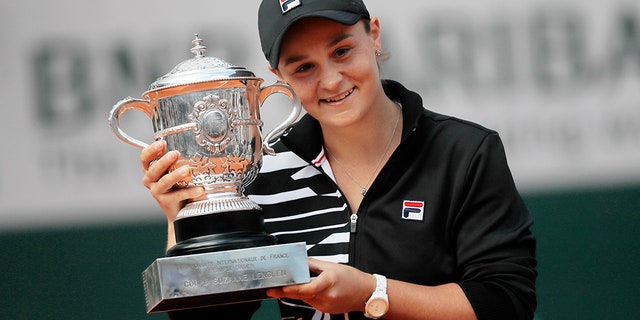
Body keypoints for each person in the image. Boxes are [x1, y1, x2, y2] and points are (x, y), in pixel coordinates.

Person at [140, 0, 537, 319]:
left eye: (342, 50)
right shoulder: (261, 170)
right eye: (304, 67)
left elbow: (505, 303)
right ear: (279, 75)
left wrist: (370, 292)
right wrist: (186, 217)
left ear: (374, 36)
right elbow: (211, 317)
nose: (331, 81)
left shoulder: (463, 152)